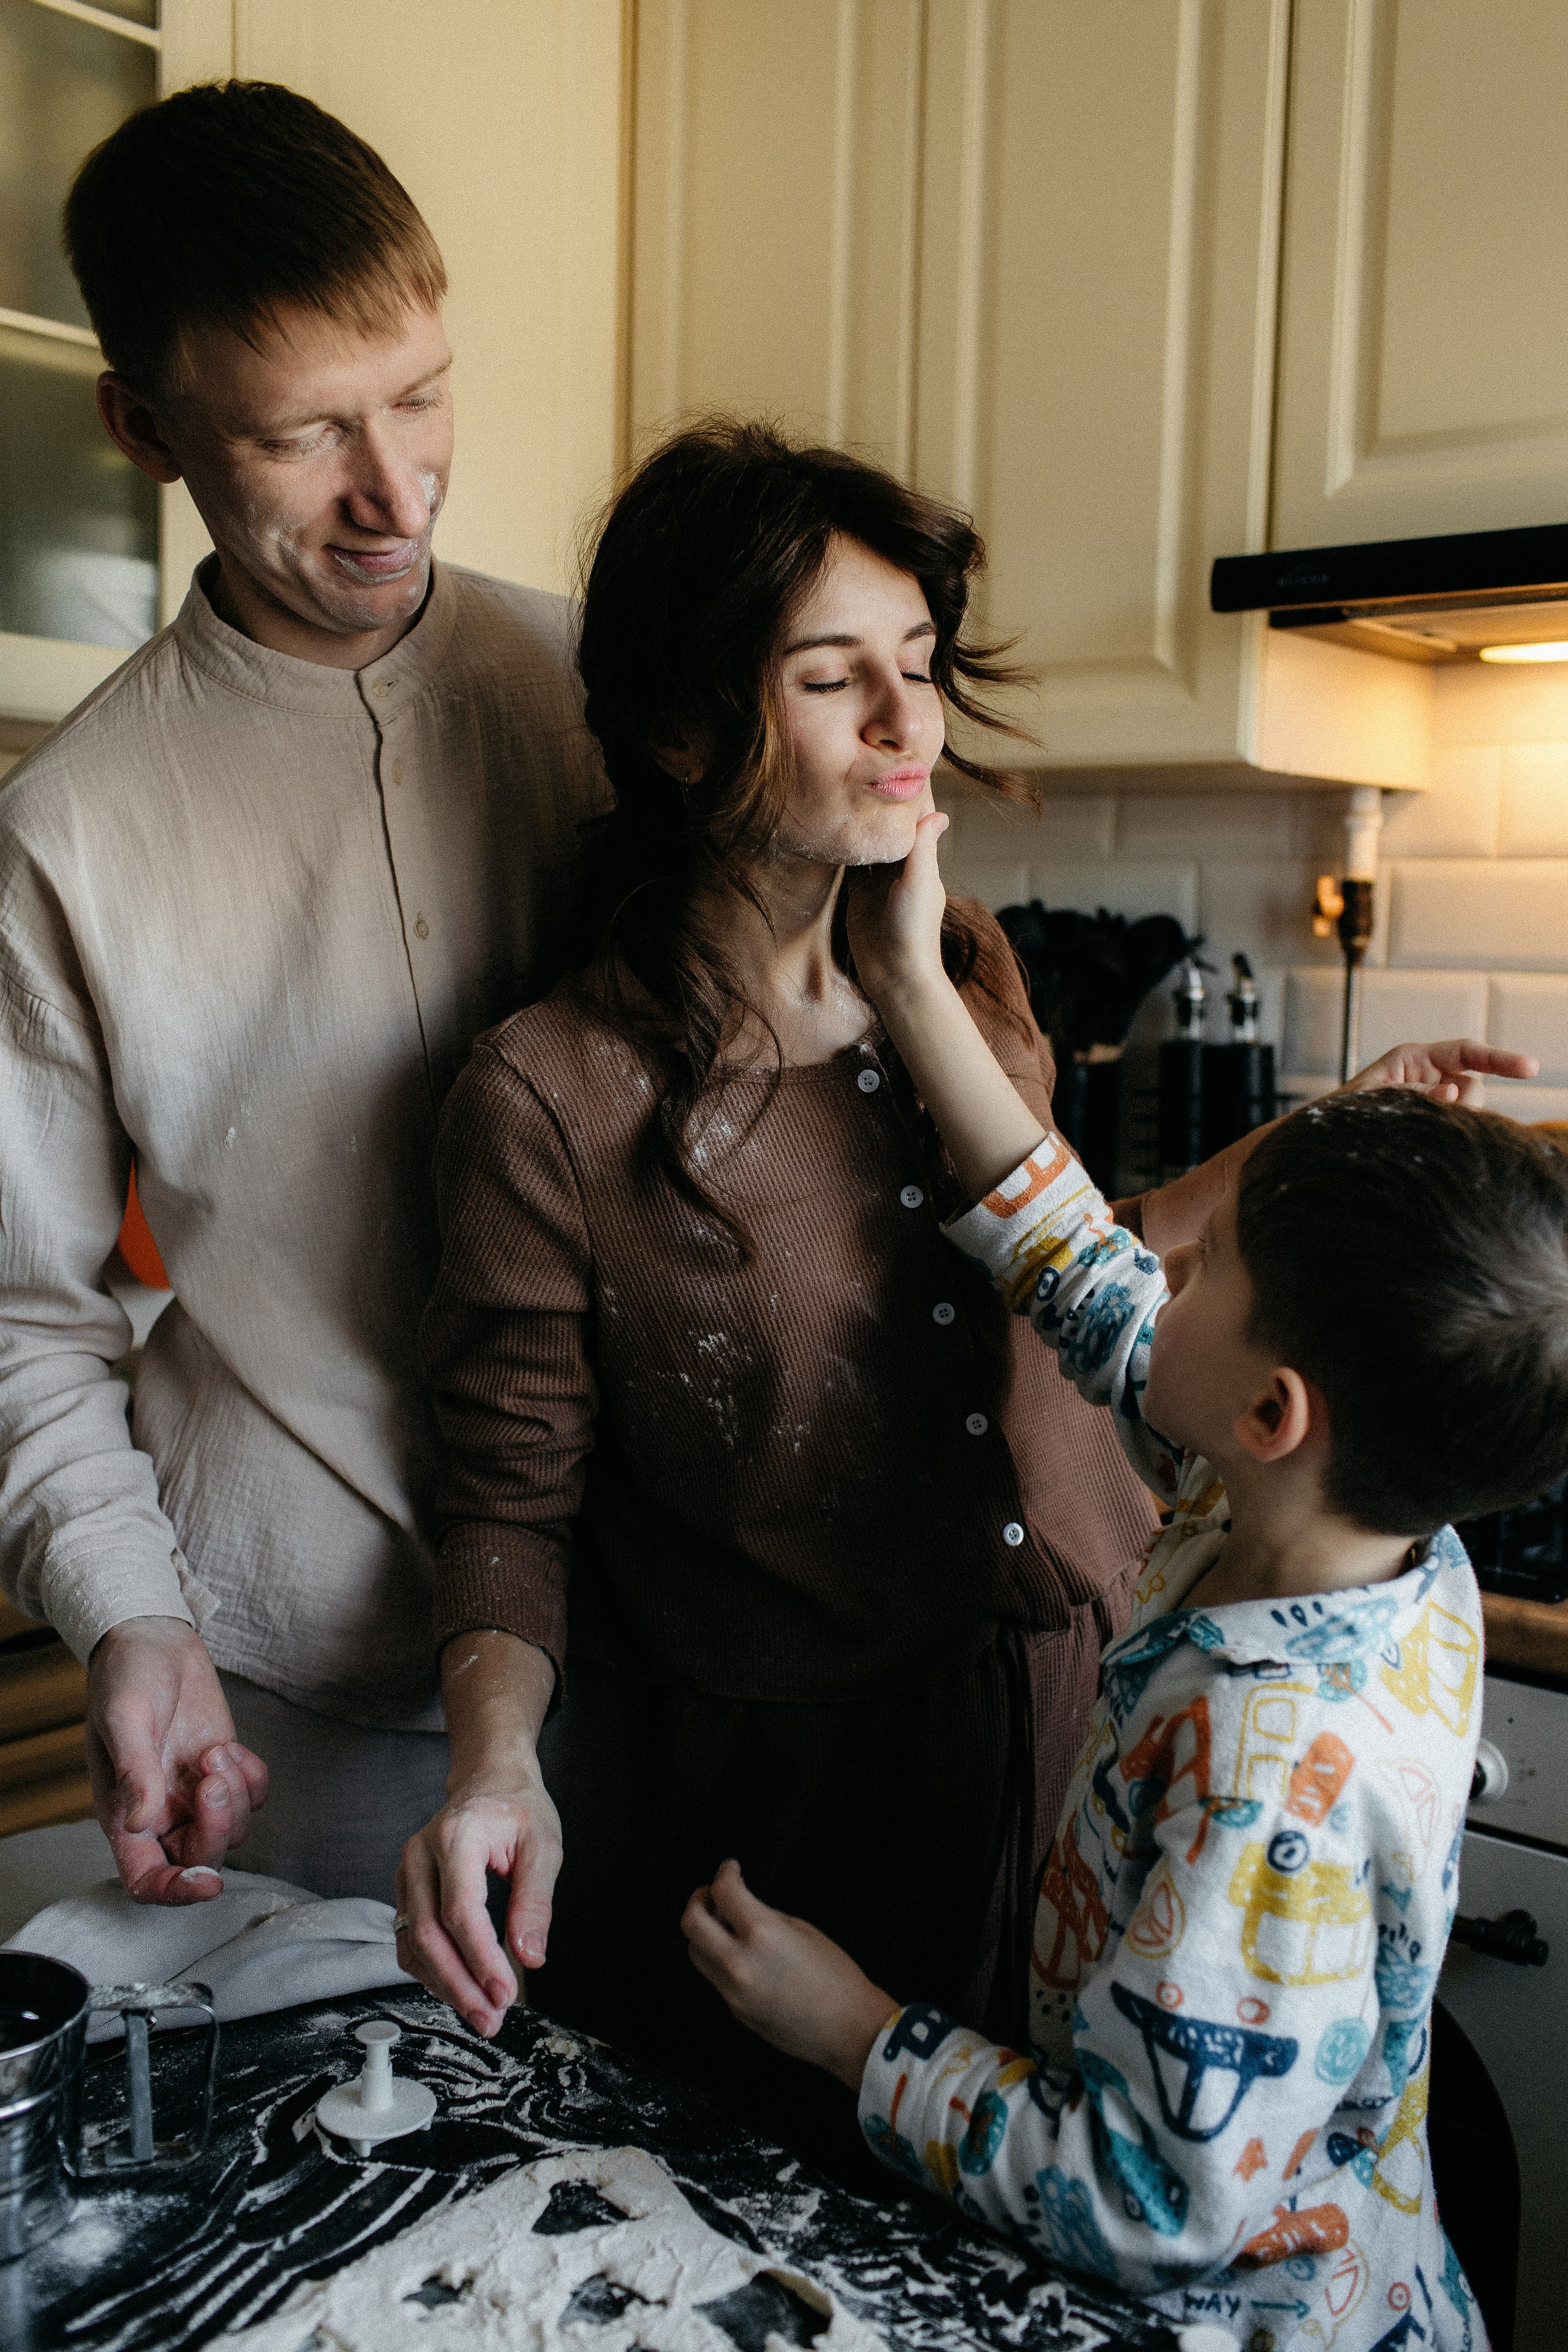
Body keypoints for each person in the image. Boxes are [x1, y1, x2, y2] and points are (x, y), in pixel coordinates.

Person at [402, 418, 1528, 2173]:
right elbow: (504, 1503)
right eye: (837, 678)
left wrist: (1311, 1158)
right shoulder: (552, 1096)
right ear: (687, 729)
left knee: (1060, 2199)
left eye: (920, 668)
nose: (908, 724)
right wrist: (493, 1763)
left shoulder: (965, 963)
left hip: (1083, 1715)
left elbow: (1076, 1251)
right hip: (791, 1811)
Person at [680, 809, 1566, 2348]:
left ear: (1272, 1412)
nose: (1170, 1265)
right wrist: (907, 978)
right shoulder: (1357, 1532)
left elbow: (1150, 2204)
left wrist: (856, 2036)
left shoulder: (1263, 1773)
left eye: (1210, 1265)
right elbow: (1082, 1268)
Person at [0, 81, 603, 1905]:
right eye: (304, 435)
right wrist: (130, 1620)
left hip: (659, 1648)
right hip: (294, 1697)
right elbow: (22, 1314)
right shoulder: (67, 833)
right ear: (147, 426)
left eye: (422, 396)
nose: (394, 492)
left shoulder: (596, 687)